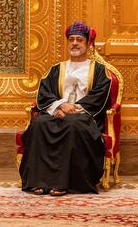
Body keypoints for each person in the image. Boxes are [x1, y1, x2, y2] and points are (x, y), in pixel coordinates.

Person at [19, 21, 112, 196]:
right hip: (57, 112)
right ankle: (38, 181)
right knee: (38, 124)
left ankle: (64, 183)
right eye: (71, 39)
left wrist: (72, 109)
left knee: (72, 124)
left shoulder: (99, 71)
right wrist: (60, 106)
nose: (75, 43)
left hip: (82, 117)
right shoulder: (56, 69)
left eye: (79, 40)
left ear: (88, 43)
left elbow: (100, 98)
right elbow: (44, 94)